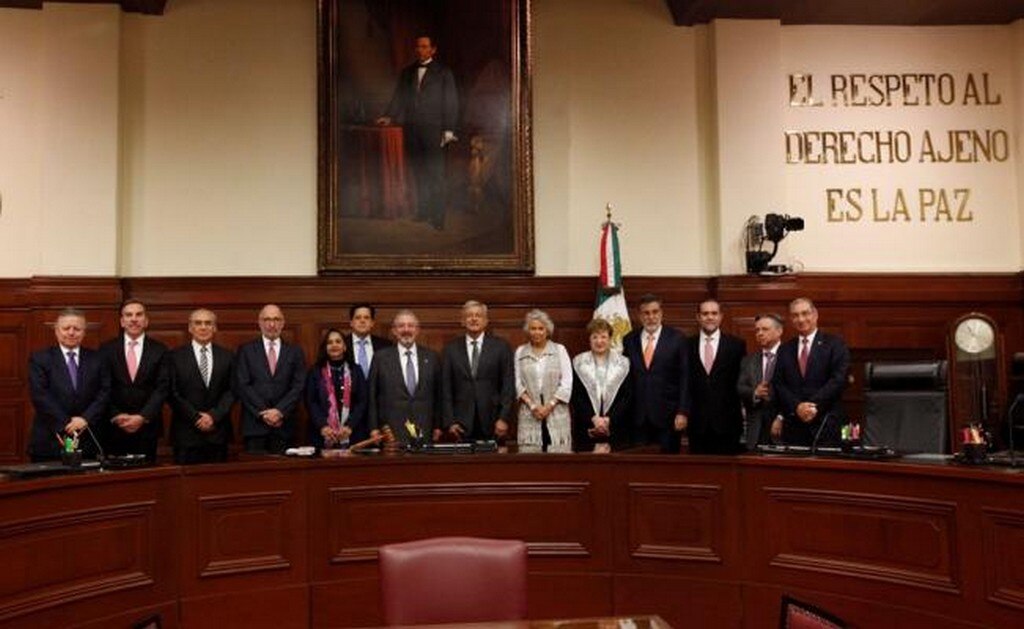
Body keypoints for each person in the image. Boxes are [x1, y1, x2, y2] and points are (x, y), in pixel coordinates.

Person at [376, 35, 458, 230]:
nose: (420, 50)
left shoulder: (444, 73)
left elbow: (451, 101)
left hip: (435, 130)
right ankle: (423, 212)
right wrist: (388, 116)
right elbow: (399, 97)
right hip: (412, 129)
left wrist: (448, 129)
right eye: (418, 46)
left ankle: (438, 217)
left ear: (433, 49)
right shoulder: (407, 72)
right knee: (419, 172)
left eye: (424, 46)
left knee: (435, 174)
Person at [28, 308, 111, 462]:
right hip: (50, 439)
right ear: (56, 331)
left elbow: (105, 392)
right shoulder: (40, 359)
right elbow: (40, 395)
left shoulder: (98, 359)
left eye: (77, 329)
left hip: (88, 437)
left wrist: (85, 419)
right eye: (66, 328)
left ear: (84, 332)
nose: (71, 332)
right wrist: (66, 424)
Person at [773, 298, 850, 447]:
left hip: (826, 424)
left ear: (815, 315)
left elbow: (839, 379)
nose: (801, 319)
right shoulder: (785, 349)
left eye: (805, 313)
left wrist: (812, 406)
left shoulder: (835, 344)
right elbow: (779, 383)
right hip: (794, 427)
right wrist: (797, 407)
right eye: (795, 315)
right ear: (791, 319)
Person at [99, 299, 169, 461]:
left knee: (146, 474)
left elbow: (162, 388)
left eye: (139, 315)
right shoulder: (106, 349)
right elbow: (102, 386)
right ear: (122, 321)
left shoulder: (160, 350)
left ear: (146, 321)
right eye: (129, 315)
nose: (134, 319)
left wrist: (142, 417)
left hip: (147, 427)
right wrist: (116, 415)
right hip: (114, 427)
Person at [621, 294, 691, 453]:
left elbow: (685, 378)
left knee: (667, 464)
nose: (651, 317)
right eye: (646, 313)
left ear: (661, 313)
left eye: (655, 312)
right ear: (639, 315)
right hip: (637, 416)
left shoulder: (677, 338)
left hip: (668, 416)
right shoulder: (629, 340)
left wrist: (682, 411)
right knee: (638, 463)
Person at [234, 304, 307, 454]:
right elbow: (243, 384)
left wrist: (279, 411)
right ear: (259, 322)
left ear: (283, 323)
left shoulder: (295, 351)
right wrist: (265, 412)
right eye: (267, 319)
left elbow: (298, 386)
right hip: (255, 426)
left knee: (284, 469)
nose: (272, 324)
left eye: (276, 319)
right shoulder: (246, 350)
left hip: (284, 426)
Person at [167, 309, 235, 464]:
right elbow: (172, 392)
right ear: (190, 328)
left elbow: (232, 391)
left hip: (217, 433)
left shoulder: (228, 356)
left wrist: (213, 416)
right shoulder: (174, 356)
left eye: (208, 323)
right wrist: (196, 417)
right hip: (186, 434)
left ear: (214, 328)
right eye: (198, 323)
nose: (203, 327)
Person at [441, 300, 515, 442]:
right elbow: (445, 388)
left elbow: (508, 386)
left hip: (493, 421)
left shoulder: (501, 347)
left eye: (478, 315)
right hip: (460, 424)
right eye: (469, 316)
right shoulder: (450, 349)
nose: (474, 319)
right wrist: (450, 422)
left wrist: (503, 418)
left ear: (486, 321)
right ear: (462, 321)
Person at [368, 309, 442, 444]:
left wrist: (438, 426)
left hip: (425, 428)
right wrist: (373, 427)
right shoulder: (380, 358)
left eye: (410, 325)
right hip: (391, 431)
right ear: (394, 331)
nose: (406, 330)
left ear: (417, 330)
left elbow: (439, 395)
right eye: (401, 326)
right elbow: (372, 395)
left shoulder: (432, 357)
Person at [687, 300, 746, 454]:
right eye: (705, 313)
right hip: (697, 424)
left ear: (721, 316)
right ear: (698, 317)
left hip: (728, 424)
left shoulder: (736, 345)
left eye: (714, 313)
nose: (710, 317)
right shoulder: (686, 345)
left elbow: (742, 382)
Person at [514, 309, 572, 452]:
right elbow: (517, 382)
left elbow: (567, 382)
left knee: (558, 460)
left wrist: (549, 406)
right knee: (531, 461)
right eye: (533, 328)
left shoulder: (560, 350)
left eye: (541, 328)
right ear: (528, 331)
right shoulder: (520, 351)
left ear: (547, 330)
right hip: (530, 413)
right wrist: (533, 406)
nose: (537, 332)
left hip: (556, 412)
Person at [570, 318, 631, 452]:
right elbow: (576, 396)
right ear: (589, 339)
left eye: (603, 337)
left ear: (610, 339)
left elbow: (627, 397)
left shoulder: (623, 364)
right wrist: (593, 419)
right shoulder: (579, 362)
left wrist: (609, 420)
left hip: (617, 428)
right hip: (586, 426)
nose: (599, 341)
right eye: (595, 337)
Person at [305, 328, 368, 449]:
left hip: (353, 434)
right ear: (325, 348)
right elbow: (311, 402)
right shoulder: (315, 371)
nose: (334, 345)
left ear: (344, 347)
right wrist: (323, 426)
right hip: (322, 435)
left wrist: (349, 426)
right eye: (330, 342)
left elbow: (362, 401)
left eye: (338, 341)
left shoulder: (356, 370)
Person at [737, 313, 785, 449]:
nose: (760, 333)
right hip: (756, 430)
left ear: (779, 331)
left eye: (765, 329)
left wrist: (781, 417)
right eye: (757, 330)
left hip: (783, 428)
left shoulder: (790, 356)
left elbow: (798, 390)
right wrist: (755, 393)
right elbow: (740, 387)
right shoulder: (749, 360)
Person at [345, 303, 393, 380]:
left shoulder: (385, 345)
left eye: (366, 318)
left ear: (372, 323)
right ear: (351, 323)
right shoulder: (342, 344)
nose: (362, 321)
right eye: (358, 318)